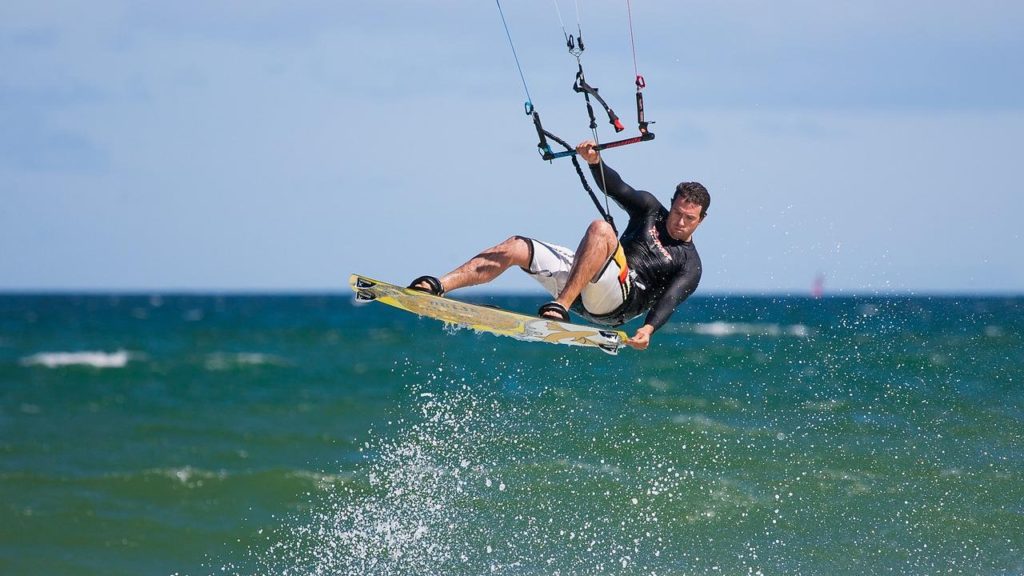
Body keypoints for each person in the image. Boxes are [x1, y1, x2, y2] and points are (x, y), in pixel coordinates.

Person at [409, 140, 709, 350]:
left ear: (701, 220)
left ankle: (559, 307)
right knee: (516, 246)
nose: (680, 222)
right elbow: (617, 188)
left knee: (601, 230)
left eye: (689, 219)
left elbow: (669, 300)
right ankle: (438, 285)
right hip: (586, 282)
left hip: (618, 303)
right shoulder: (651, 210)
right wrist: (595, 162)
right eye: (678, 213)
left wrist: (648, 329)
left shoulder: (689, 264)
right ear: (672, 205)